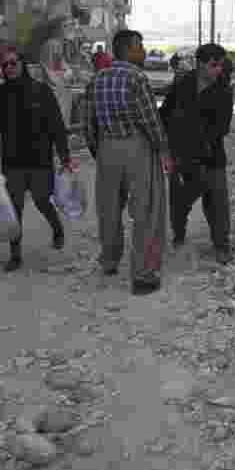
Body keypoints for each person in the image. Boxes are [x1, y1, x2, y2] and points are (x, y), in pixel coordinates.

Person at [83, 29, 175, 295]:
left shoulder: (97, 79)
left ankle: (110, 260)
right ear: (129, 49)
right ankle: (143, 275)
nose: (144, 51)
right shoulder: (136, 78)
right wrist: (163, 150)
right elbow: (150, 120)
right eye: (140, 47)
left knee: (109, 209)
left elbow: (88, 123)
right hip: (137, 146)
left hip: (106, 147)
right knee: (146, 210)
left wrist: (98, 151)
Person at [0, 45, 74, 272]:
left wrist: (65, 156)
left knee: (41, 201)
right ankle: (15, 254)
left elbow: (56, 125)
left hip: (40, 160)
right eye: (5, 64)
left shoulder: (41, 91)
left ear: (22, 64)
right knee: (14, 209)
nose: (9, 68)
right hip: (12, 163)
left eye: (13, 63)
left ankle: (57, 228)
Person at [159, 43, 234, 265]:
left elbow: (222, 128)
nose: (218, 70)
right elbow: (164, 114)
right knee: (179, 202)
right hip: (182, 157)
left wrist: (198, 137)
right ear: (200, 64)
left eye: (221, 65)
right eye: (213, 65)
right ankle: (179, 237)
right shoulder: (182, 85)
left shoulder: (223, 91)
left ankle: (221, 246)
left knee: (217, 203)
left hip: (211, 157)